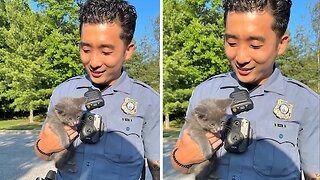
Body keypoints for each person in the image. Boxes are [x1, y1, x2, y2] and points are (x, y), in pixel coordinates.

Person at [170, 0, 320, 179]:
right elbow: (180, 163)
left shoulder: (307, 103)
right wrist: (182, 158)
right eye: (232, 43)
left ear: (281, 44)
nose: (240, 58)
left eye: (255, 45)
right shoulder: (205, 92)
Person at [34, 0, 160, 179]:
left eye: (106, 52)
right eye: (86, 49)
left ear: (128, 50)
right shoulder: (63, 91)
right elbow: (42, 150)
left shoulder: (149, 100)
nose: (93, 62)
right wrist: (44, 147)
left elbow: (157, 167)